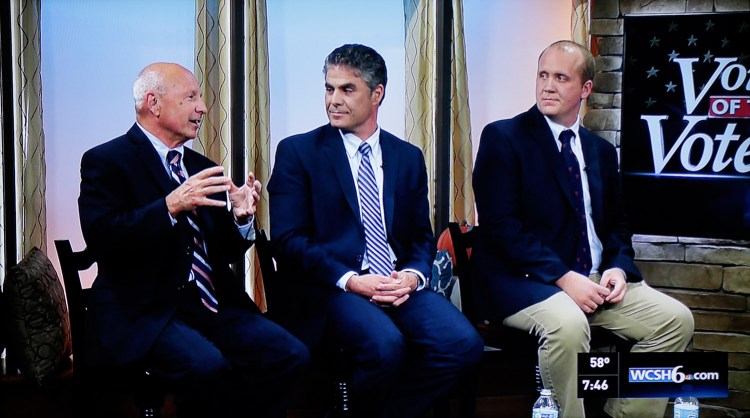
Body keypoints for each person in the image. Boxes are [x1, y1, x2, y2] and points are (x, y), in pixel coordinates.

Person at [471, 40, 695, 418]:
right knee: (568, 323)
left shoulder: (601, 152)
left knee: (675, 320)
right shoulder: (504, 138)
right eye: (543, 75)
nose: (547, 86)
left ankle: (624, 415)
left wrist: (617, 268)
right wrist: (563, 277)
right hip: (525, 282)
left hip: (593, 282)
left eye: (560, 77)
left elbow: (618, 227)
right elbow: (501, 227)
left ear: (585, 89)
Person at [78, 62, 309, 418]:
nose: (202, 107)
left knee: (291, 355)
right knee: (207, 368)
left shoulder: (202, 166)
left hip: (212, 305)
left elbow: (224, 252)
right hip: (145, 312)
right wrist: (169, 206)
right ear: (154, 103)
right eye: (191, 97)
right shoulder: (106, 162)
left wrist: (240, 219)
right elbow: (103, 239)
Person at [267, 44, 483, 418]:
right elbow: (288, 241)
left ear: (377, 93)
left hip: (396, 283)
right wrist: (351, 280)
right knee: (386, 345)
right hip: (332, 288)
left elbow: (419, 235)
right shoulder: (298, 153)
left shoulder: (407, 157)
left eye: (347, 90)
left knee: (463, 344)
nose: (333, 100)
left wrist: (414, 276)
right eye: (329, 88)